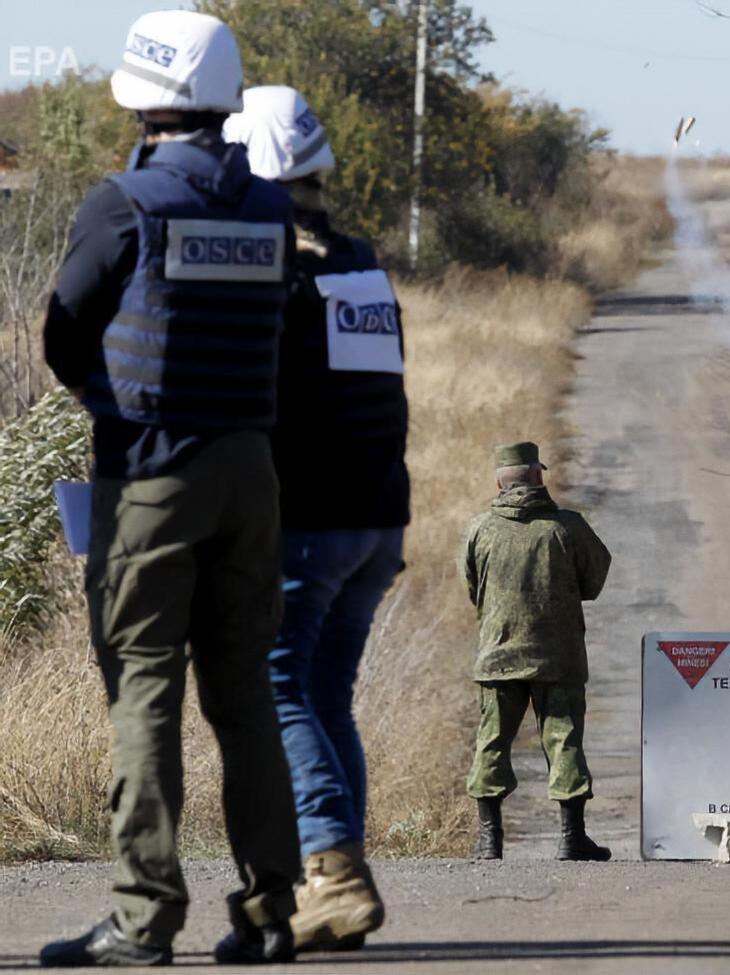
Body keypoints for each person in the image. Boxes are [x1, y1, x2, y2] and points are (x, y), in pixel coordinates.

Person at [38, 11, 300, 967]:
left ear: (145, 100)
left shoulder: (125, 203)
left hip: (150, 473)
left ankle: (144, 919)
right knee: (244, 697)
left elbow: (64, 334)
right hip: (251, 474)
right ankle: (273, 913)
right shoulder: (271, 211)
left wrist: (109, 398)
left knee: (144, 692)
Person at [222, 86, 408, 952]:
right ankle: (337, 889)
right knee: (328, 696)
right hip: (376, 522)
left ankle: (331, 871)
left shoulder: (278, 269)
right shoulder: (360, 260)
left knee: (277, 686)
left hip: (308, 521)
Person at [460, 442, 613, 861]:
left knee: (491, 743)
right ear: (539, 477)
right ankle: (571, 838)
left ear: (499, 483)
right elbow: (594, 582)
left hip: (498, 657)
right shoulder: (568, 527)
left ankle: (489, 841)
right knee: (564, 743)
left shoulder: (479, 530)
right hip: (557, 658)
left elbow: (474, 590)